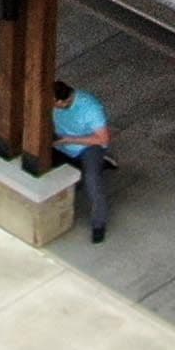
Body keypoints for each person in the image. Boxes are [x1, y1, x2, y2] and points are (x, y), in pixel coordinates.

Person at [50, 78, 116, 243]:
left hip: (86, 146)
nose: (51, 107)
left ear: (62, 101)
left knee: (92, 181)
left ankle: (98, 224)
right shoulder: (53, 102)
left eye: (54, 104)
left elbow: (103, 139)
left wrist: (68, 140)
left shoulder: (91, 109)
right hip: (60, 142)